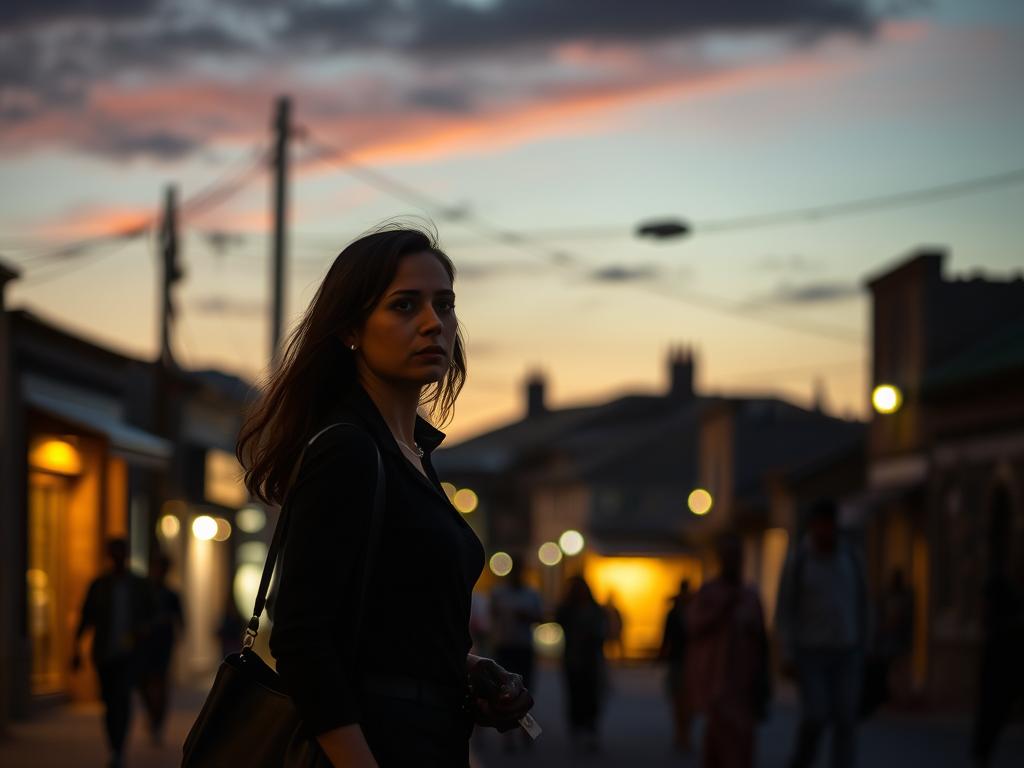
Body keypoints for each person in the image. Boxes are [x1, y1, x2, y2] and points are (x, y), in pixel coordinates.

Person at [236, 225, 534, 767]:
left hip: (431, 740)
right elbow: (302, 639)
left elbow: (384, 628)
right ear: (351, 328)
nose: (432, 323)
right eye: (404, 306)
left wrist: (467, 671)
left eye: (443, 306)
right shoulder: (348, 451)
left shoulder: (413, 454)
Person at [776, 498, 868, 768]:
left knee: (846, 717)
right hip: (811, 650)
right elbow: (785, 610)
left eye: (829, 525)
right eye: (820, 525)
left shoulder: (850, 558)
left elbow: (863, 603)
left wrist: (866, 644)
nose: (825, 531)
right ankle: (803, 759)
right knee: (816, 714)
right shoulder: (800, 561)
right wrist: (787, 651)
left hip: (847, 649)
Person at [71, 538, 157, 768]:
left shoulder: (139, 585)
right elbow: (86, 617)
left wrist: (144, 633)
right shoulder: (100, 585)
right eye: (114, 552)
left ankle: (119, 748)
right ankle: (114, 745)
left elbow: (153, 616)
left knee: (123, 699)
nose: (117, 556)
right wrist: (76, 648)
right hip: (105, 654)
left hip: (130, 655)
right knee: (110, 702)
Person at [686, 535, 768, 768]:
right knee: (719, 739)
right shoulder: (710, 594)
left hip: (744, 680)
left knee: (742, 740)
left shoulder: (750, 596)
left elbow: (760, 638)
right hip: (714, 678)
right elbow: (694, 626)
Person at [489, 565, 543, 752]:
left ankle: (528, 733)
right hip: (504, 647)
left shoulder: (531, 594)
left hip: (523, 648)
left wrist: (526, 617)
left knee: (525, 692)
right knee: (505, 693)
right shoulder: (499, 593)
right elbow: (492, 615)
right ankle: (509, 737)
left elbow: (540, 617)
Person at [555, 575, 607, 753]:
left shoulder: (594, 610)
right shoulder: (568, 610)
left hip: (590, 660)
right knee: (575, 694)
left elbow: (602, 632)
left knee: (591, 695)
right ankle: (578, 728)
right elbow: (558, 617)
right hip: (574, 659)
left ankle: (590, 729)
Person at [138, 553, 184, 745]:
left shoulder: (171, 595)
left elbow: (181, 621)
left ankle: (157, 720)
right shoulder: (143, 593)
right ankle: (153, 715)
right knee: (144, 683)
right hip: (145, 645)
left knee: (160, 682)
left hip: (163, 644)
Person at [659, 578, 693, 753]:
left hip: (686, 661)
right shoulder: (681, 612)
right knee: (680, 700)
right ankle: (682, 734)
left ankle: (683, 734)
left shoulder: (690, 612)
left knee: (684, 700)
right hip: (681, 660)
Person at [604, 591, 624, 661]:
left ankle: (617, 659)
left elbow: (620, 621)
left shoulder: (614, 610)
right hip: (609, 632)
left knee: (614, 647)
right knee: (609, 647)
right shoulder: (605, 610)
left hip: (613, 632)